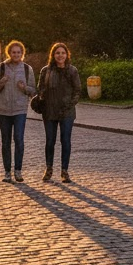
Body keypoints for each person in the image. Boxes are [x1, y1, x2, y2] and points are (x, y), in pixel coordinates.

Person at [0, 41, 35, 182]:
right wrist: (1, 83)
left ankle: (18, 170)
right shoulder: (1, 67)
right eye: (13, 52)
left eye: (18, 52)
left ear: (22, 53)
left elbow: (33, 90)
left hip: (20, 110)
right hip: (3, 110)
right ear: (9, 53)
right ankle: (7, 172)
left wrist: (24, 88)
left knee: (19, 140)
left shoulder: (27, 69)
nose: (16, 55)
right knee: (6, 141)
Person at [37, 42, 80, 182]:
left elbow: (77, 91)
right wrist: (42, 96)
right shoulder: (46, 70)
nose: (60, 55)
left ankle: (64, 171)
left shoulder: (72, 71)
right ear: (53, 55)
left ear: (67, 55)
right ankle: (49, 169)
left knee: (65, 141)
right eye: (57, 53)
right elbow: (40, 88)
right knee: (50, 141)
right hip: (49, 111)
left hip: (67, 112)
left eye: (63, 53)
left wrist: (69, 104)